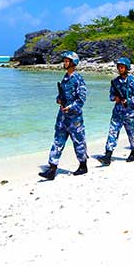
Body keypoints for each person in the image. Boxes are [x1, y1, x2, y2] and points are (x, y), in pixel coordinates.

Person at [39, 51, 88, 180]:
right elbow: (63, 95)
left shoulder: (78, 79)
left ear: (73, 63)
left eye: (67, 61)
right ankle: (52, 168)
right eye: (65, 60)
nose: (65, 63)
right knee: (57, 141)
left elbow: (81, 99)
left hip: (74, 118)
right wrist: (59, 99)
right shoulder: (65, 78)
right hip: (62, 117)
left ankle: (83, 165)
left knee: (79, 142)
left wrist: (70, 107)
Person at [96, 57, 134, 166]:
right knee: (112, 132)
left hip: (129, 112)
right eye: (119, 67)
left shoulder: (133, 81)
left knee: (132, 132)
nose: (120, 69)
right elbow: (111, 95)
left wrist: (128, 100)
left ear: (127, 68)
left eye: (122, 67)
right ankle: (108, 154)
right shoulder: (115, 82)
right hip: (117, 112)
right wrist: (114, 98)